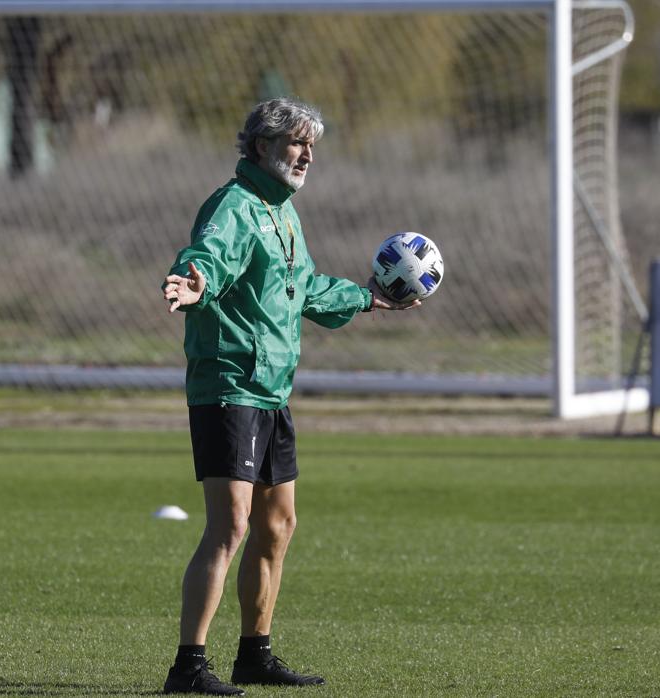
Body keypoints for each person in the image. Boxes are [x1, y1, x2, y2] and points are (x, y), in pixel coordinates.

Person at [160, 98, 420, 696]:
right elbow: (208, 259)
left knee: (278, 525)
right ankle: (188, 668)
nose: (305, 156)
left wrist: (366, 298)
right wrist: (193, 282)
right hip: (228, 386)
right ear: (259, 148)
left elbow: (302, 289)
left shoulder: (284, 216)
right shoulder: (233, 209)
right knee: (231, 527)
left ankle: (254, 654)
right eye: (294, 144)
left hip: (271, 391)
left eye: (310, 146)